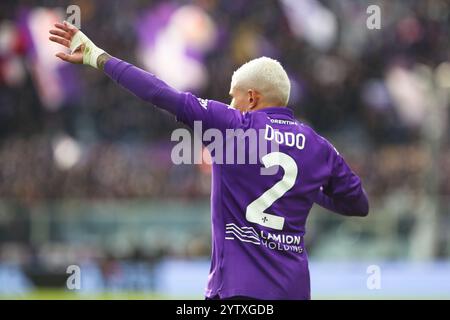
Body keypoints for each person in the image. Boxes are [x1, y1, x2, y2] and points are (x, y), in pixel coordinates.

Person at [49, 21, 369, 300]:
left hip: (237, 290)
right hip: (295, 290)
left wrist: (98, 57)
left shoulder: (232, 124)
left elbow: (159, 93)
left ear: (253, 98)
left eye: (234, 95)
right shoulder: (319, 146)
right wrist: (307, 187)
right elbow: (358, 204)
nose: (230, 101)